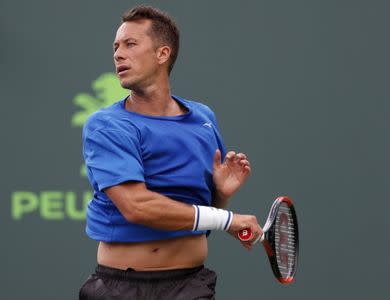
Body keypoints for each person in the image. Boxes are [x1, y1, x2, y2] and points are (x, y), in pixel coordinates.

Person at [79, 5, 263, 300]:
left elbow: (194, 221)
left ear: (162, 54)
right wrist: (227, 218)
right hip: (120, 290)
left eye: (130, 44)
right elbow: (136, 207)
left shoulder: (203, 119)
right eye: (116, 46)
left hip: (190, 286)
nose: (118, 54)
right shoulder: (107, 125)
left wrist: (220, 195)